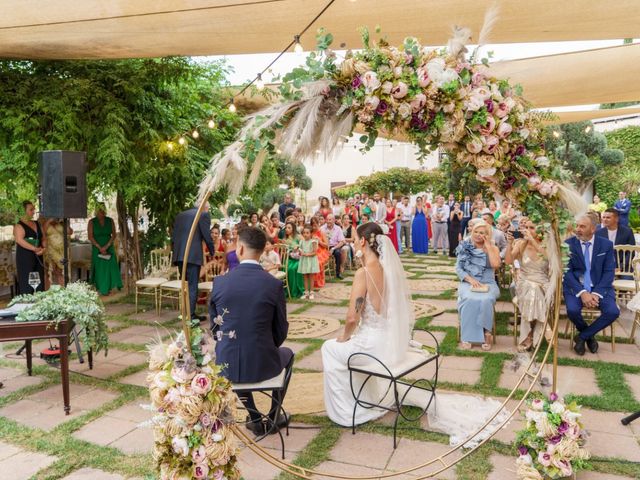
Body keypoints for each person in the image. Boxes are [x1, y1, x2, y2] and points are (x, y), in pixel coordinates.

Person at [209, 227, 292, 436]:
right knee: (288, 354)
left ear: (240, 248)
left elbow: (214, 328)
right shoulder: (273, 284)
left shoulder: (219, 283)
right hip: (262, 361)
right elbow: (281, 331)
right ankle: (273, 415)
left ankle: (254, 416)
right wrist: (264, 344)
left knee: (236, 355)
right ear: (263, 250)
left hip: (226, 362)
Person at [563, 214, 619, 356]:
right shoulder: (568, 244)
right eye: (577, 226)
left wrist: (596, 293)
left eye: (582, 226)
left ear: (593, 229)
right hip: (575, 287)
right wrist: (582, 293)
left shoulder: (606, 245)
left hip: (600, 287)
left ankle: (582, 337)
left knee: (613, 311)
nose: (578, 229)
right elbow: (567, 273)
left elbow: (608, 273)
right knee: (573, 311)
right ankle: (589, 336)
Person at [505, 219, 552, 352]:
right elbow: (509, 260)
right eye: (526, 227)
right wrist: (509, 244)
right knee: (532, 289)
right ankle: (543, 326)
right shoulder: (520, 243)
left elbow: (550, 259)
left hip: (544, 284)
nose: (527, 230)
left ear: (541, 231)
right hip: (524, 282)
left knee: (535, 289)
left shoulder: (548, 245)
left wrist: (532, 241)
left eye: (532, 228)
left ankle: (528, 335)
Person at [455, 221, 501, 350]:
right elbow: (458, 268)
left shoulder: (493, 247)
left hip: (488, 283)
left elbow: (495, 265)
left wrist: (488, 246)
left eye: (482, 233)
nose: (478, 235)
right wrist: (470, 279)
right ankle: (468, 335)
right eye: (476, 231)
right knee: (470, 298)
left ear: (488, 235)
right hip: (468, 282)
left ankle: (487, 332)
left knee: (486, 299)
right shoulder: (465, 246)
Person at [171, 204, 214, 318]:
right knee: (192, 286)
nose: (208, 210)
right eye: (208, 208)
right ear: (205, 207)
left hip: (179, 255)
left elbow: (174, 236)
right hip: (192, 255)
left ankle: (186, 312)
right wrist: (212, 251)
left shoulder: (180, 215)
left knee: (185, 285)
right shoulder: (203, 214)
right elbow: (207, 236)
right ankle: (191, 316)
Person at [89, 205, 123, 296]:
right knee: (100, 268)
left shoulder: (110, 220)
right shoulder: (91, 222)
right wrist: (100, 247)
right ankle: (102, 289)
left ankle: (111, 287)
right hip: (97, 248)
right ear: (96, 211)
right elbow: (90, 237)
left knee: (111, 267)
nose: (102, 213)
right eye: (100, 211)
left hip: (109, 246)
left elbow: (114, 235)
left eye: (103, 211)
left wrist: (107, 246)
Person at [13, 200, 45, 294]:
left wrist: (44, 249)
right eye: (31, 209)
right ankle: (27, 305)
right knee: (27, 282)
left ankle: (39, 304)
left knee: (39, 282)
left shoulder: (37, 223)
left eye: (33, 209)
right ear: (23, 211)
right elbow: (19, 240)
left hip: (38, 255)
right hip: (25, 257)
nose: (34, 211)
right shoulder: (18, 226)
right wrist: (34, 249)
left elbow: (43, 238)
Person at [42, 217, 72, 288]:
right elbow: (42, 231)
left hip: (62, 250)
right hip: (50, 250)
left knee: (60, 271)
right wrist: (49, 220)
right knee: (49, 271)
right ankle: (47, 290)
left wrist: (65, 223)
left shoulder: (62, 222)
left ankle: (62, 290)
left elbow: (70, 232)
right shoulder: (44, 221)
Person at [282, 221, 305, 298]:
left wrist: (298, 248)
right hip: (290, 259)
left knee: (294, 268)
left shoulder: (299, 237)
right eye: (286, 228)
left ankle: (297, 290)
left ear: (293, 228)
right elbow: (284, 252)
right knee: (288, 268)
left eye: (289, 228)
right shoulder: (285, 239)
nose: (287, 229)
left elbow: (304, 247)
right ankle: (289, 290)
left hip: (300, 258)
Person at [298, 225, 320, 299]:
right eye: (304, 233)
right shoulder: (301, 241)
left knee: (311, 276)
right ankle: (306, 292)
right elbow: (300, 250)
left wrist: (306, 254)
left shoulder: (313, 241)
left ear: (311, 234)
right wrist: (299, 251)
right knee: (305, 276)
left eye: (307, 233)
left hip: (311, 260)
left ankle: (311, 292)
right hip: (304, 260)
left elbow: (314, 252)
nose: (305, 234)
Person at [321, 214, 346, 279]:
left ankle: (338, 273)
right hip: (323, 246)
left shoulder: (338, 229)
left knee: (338, 253)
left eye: (330, 220)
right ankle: (319, 274)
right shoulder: (322, 228)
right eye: (327, 219)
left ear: (334, 220)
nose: (328, 221)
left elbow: (342, 241)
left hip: (334, 246)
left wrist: (333, 248)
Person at [310, 217, 330, 289]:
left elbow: (326, 245)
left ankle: (318, 281)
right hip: (312, 250)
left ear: (318, 224)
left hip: (322, 251)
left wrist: (319, 241)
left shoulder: (322, 232)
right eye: (313, 225)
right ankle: (310, 281)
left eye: (315, 225)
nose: (314, 227)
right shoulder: (310, 232)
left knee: (318, 261)